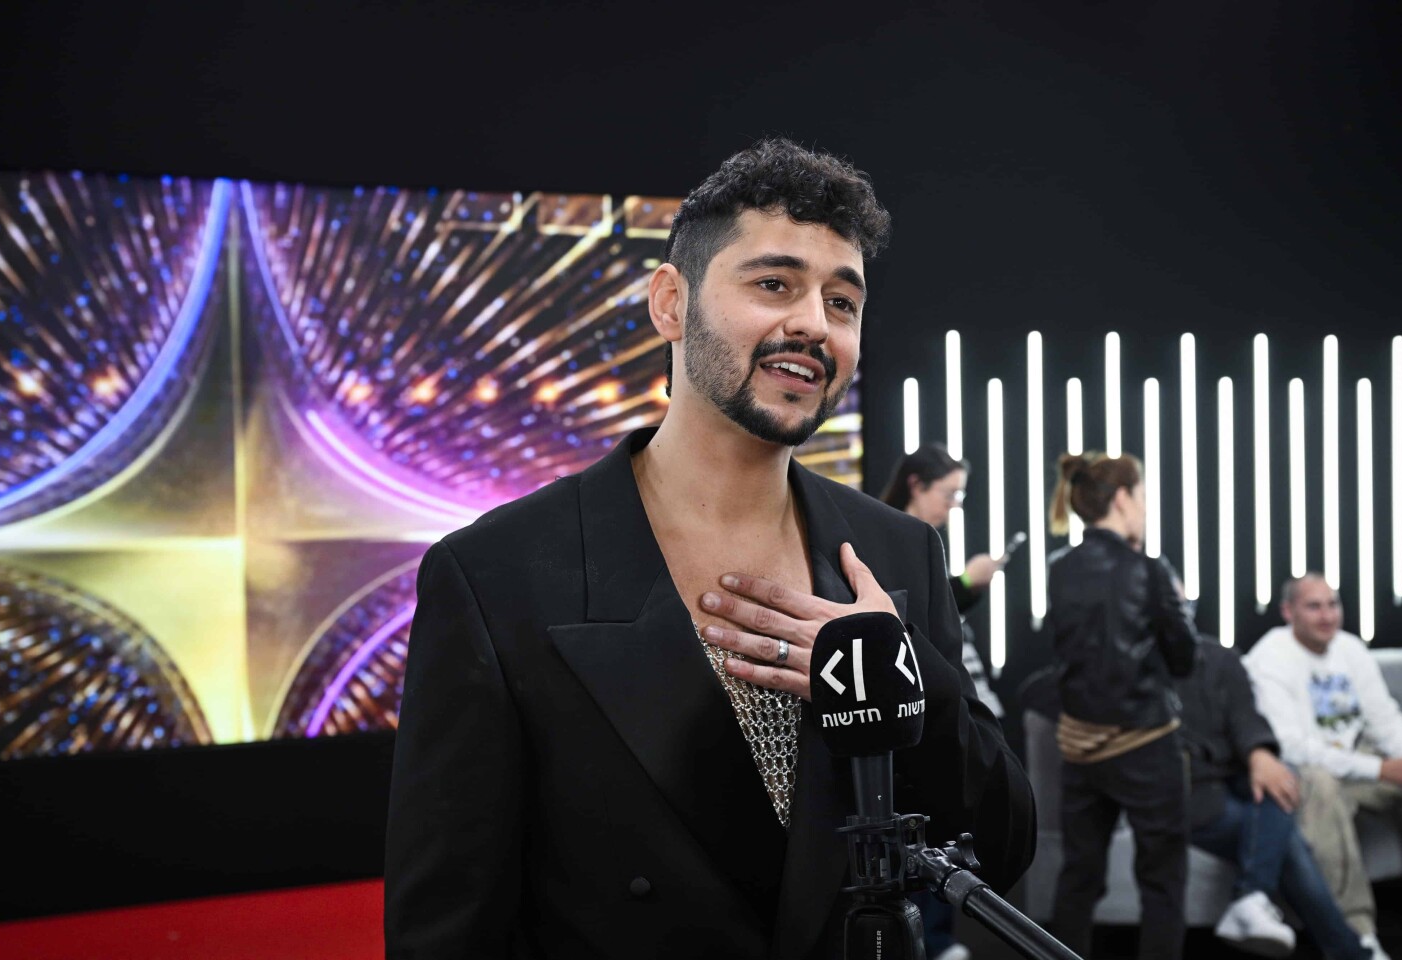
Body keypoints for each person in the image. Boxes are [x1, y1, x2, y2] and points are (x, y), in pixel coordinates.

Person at [384, 138, 1036, 960]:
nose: (811, 324)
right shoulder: (498, 576)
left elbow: (1005, 849)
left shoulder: (895, 553)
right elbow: (447, 929)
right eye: (773, 284)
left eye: (842, 303)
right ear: (670, 303)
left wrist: (915, 689)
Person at [1044, 451, 1201, 960]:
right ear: (1122, 498)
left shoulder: (1060, 569)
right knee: (1162, 879)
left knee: (1079, 877)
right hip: (1146, 745)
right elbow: (1184, 659)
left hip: (1079, 747)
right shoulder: (1149, 570)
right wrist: (1179, 605)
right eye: (1143, 496)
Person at [1242, 573, 1402, 960]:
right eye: (1314, 606)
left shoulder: (1350, 649)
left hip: (1357, 760)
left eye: (1333, 604)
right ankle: (1356, 934)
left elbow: (1385, 721)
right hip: (1309, 771)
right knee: (1321, 784)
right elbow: (1294, 748)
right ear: (1288, 612)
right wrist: (1381, 770)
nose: (1327, 616)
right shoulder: (1269, 658)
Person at [1176, 640, 1371, 959]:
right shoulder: (1131, 662)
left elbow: (1245, 716)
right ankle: (1348, 951)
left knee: (1281, 779)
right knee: (1288, 841)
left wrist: (1260, 754)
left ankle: (1251, 899)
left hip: (1233, 774)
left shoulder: (1219, 657)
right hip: (1183, 790)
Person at [880, 444, 1004, 718]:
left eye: (959, 494)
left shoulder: (919, 537)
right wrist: (967, 582)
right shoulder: (895, 539)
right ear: (916, 485)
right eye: (950, 494)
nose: (955, 504)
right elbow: (914, 614)